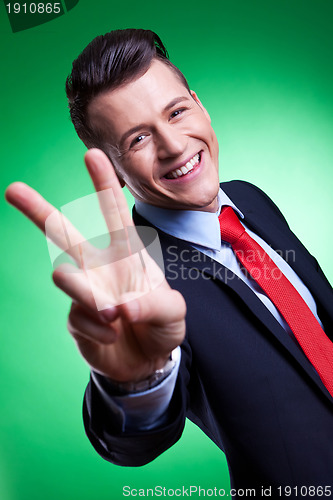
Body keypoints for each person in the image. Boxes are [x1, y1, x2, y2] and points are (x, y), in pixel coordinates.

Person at [5, 29, 333, 498]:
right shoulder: (139, 280)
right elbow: (132, 441)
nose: (176, 146)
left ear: (200, 105)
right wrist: (136, 380)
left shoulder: (249, 199)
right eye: (138, 139)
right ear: (113, 168)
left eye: (177, 112)